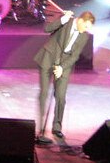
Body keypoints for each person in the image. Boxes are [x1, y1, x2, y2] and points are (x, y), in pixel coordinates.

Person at [33, 10, 95, 143]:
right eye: (86, 26)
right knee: (44, 94)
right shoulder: (65, 21)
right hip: (49, 57)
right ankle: (40, 129)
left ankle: (57, 127)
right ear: (80, 20)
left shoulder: (84, 36)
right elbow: (46, 28)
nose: (86, 30)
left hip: (64, 63)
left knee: (60, 96)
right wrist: (62, 20)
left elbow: (75, 56)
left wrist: (61, 67)